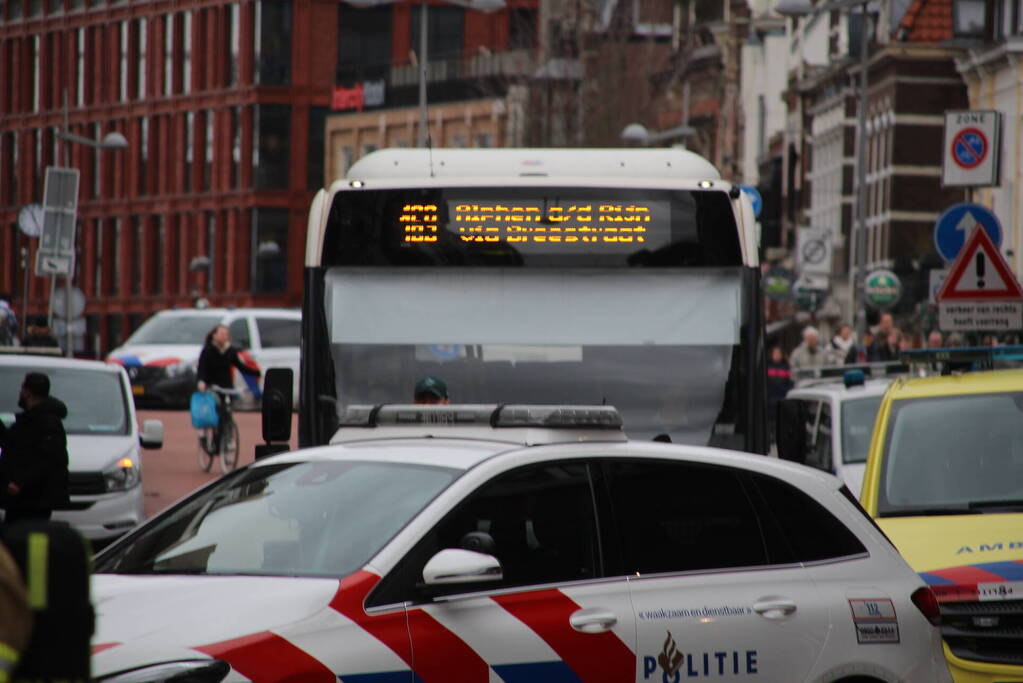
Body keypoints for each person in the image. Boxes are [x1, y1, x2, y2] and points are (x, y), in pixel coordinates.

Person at [0, 373, 69, 524]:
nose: (20, 392)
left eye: (22, 388)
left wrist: (20, 483)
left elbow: (48, 460)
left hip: (32, 500)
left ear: (27, 392)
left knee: (28, 539)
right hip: (22, 499)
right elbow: (11, 442)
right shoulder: (30, 419)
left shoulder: (46, 422)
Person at [196, 324, 261, 452]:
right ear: (214, 335)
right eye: (221, 333)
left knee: (227, 413)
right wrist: (201, 382)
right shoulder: (208, 350)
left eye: (226, 334)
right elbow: (201, 368)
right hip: (212, 386)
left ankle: (225, 438)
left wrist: (255, 372)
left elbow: (240, 366)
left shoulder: (230, 351)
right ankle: (206, 436)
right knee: (216, 412)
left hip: (227, 387)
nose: (224, 336)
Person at [766, 346, 792, 443]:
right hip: (770, 398)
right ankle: (769, 437)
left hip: (781, 398)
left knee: (780, 420)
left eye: (778, 354)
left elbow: (789, 382)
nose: (777, 356)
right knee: (769, 420)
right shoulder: (767, 366)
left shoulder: (785, 367)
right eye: (775, 354)